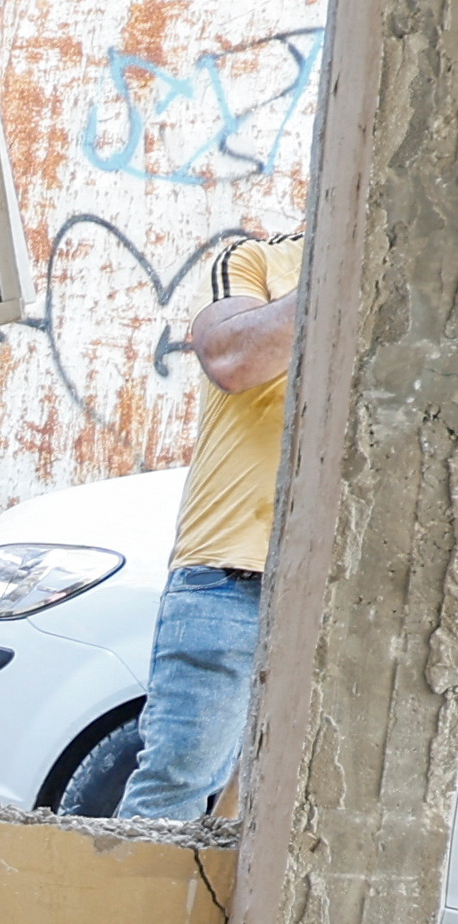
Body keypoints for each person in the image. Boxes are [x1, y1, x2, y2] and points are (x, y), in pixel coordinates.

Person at [117, 283, 295, 819]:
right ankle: (127, 903)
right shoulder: (257, 262)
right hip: (232, 574)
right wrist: (341, 263)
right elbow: (232, 358)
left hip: (354, 587)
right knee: (175, 784)